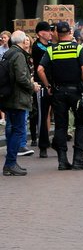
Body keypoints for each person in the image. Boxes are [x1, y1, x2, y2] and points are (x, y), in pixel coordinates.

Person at [37, 22, 83, 171]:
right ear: (70, 32)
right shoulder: (77, 48)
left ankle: (62, 160)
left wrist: (48, 85)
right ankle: (78, 158)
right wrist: (82, 83)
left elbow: (40, 69)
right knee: (80, 123)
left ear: (56, 33)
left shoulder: (51, 50)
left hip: (58, 92)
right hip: (75, 91)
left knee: (61, 125)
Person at [2, 31, 38, 176]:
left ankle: (10, 163)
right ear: (23, 41)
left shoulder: (8, 53)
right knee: (18, 130)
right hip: (17, 99)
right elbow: (21, 78)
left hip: (8, 97)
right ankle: (10, 163)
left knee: (12, 130)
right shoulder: (19, 55)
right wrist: (33, 86)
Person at [30, 21, 55, 156]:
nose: (51, 33)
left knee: (53, 114)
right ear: (40, 33)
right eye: (48, 31)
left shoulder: (51, 45)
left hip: (54, 84)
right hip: (42, 85)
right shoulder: (37, 47)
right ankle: (43, 145)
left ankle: (51, 141)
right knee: (42, 114)